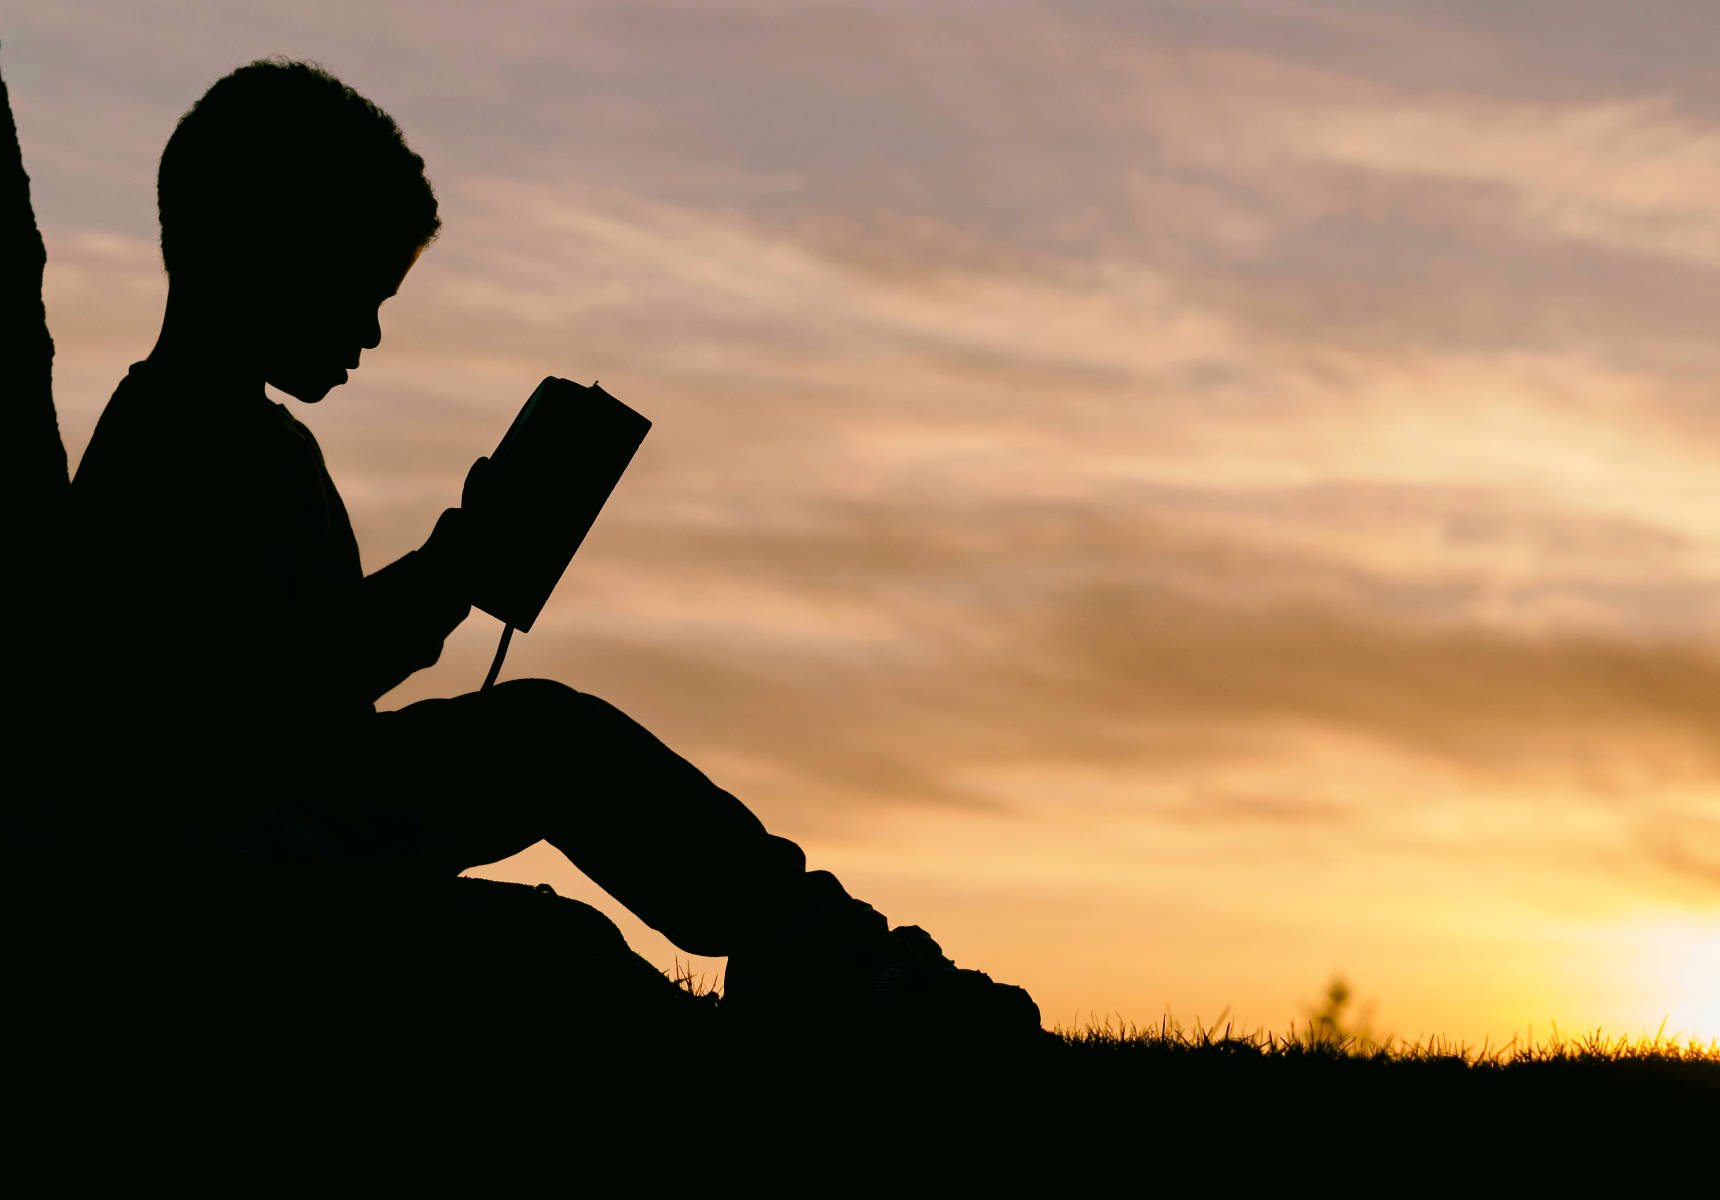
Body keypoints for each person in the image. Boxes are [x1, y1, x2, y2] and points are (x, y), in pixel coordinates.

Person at [69, 58, 1037, 1035]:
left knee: (548, 738)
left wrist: (459, 562)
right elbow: (267, 702)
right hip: (249, 864)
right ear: (266, 249)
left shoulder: (250, 437)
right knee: (555, 936)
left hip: (305, 814)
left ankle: (829, 957)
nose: (366, 333)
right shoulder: (169, 447)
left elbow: (315, 672)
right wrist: (457, 567)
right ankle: (839, 979)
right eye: (355, 288)